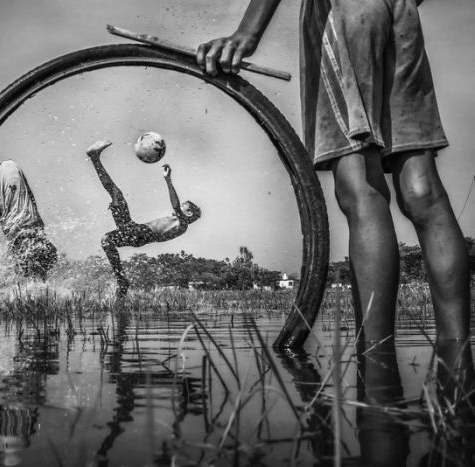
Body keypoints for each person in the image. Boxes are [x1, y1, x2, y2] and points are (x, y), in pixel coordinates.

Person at [196, 0, 470, 344]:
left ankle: (376, 359)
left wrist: (247, 34)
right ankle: (459, 357)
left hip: (345, 13)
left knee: (362, 190)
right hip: (402, 12)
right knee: (422, 190)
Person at [86, 140, 201, 297]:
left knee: (117, 196)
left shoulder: (182, 224)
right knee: (106, 239)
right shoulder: (176, 220)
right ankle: (121, 280)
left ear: (188, 213)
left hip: (139, 234)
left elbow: (175, 205)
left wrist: (168, 180)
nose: (180, 206)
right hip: (136, 230)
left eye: (184, 206)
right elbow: (175, 207)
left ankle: (95, 158)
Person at [0, 141, 57, 280]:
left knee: (25, 269)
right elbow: (29, 193)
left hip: (13, 229)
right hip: (31, 221)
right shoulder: (11, 165)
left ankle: (34, 296)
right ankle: (44, 292)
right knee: (42, 263)